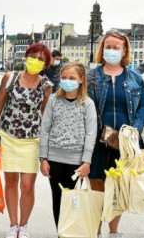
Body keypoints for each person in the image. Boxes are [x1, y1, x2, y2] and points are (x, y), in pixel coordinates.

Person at [0, 43, 52, 238]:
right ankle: (13, 224)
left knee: (27, 185)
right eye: (34, 56)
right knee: (11, 181)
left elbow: (45, 115)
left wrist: (47, 145)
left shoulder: (46, 86)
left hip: (32, 139)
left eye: (41, 59)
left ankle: (23, 226)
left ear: (46, 64)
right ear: (26, 56)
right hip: (7, 136)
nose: (36, 61)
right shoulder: (10, 77)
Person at [87, 30, 144, 238]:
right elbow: (84, 107)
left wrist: (137, 128)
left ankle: (113, 232)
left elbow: (143, 106)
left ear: (124, 51)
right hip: (97, 140)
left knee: (119, 188)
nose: (111, 50)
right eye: (108, 46)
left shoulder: (135, 78)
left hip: (126, 141)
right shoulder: (91, 76)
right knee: (97, 187)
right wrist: (102, 132)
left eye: (116, 47)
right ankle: (95, 231)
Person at [39, 62, 97, 230]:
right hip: (54, 159)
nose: (67, 81)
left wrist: (86, 161)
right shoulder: (53, 101)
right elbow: (45, 130)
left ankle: (73, 232)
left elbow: (90, 134)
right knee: (57, 199)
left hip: (76, 161)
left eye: (72, 78)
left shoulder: (87, 104)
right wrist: (43, 158)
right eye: (64, 78)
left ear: (81, 80)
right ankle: (61, 232)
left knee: (73, 201)